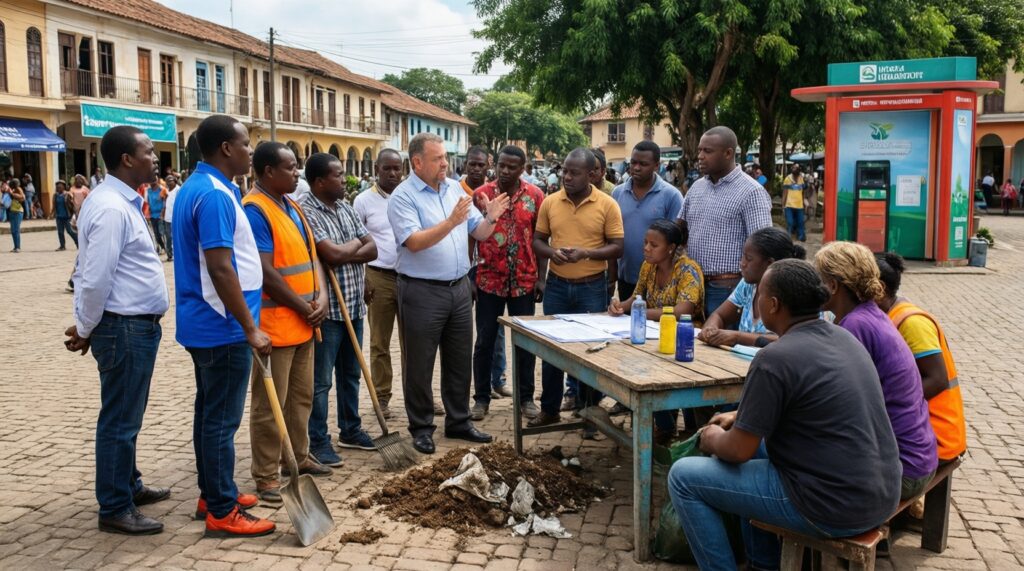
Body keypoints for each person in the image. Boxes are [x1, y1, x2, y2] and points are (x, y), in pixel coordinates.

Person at [669, 259, 901, 571]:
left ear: (774, 305)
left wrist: (710, 438)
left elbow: (737, 450)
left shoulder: (773, 358)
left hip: (830, 507)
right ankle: (763, 563)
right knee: (754, 454)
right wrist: (740, 419)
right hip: (881, 494)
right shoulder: (843, 337)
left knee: (683, 477)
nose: (757, 300)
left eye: (760, 294)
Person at [63, 125, 171, 535]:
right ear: (127, 159)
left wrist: (88, 325)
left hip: (134, 326)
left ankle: (129, 485)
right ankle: (114, 505)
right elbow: (94, 278)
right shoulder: (111, 207)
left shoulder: (122, 201)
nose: (155, 158)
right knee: (120, 420)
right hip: (124, 327)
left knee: (129, 414)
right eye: (148, 151)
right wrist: (86, 327)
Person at [172, 115, 275, 538]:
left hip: (209, 323)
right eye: (246, 143)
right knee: (220, 421)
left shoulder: (203, 187)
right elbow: (220, 267)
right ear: (227, 149)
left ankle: (213, 492)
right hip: (222, 325)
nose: (251, 151)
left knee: (208, 413)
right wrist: (249, 327)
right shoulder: (213, 194)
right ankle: (221, 510)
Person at [387, 132, 509, 454]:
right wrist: (451, 221)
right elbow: (414, 242)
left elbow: (478, 231)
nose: (445, 163)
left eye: (445, 157)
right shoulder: (403, 197)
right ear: (417, 162)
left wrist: (491, 217)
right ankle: (421, 427)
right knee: (420, 363)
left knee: (459, 359)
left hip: (458, 288)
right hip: (421, 291)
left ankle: (458, 420)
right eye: (438, 158)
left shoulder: (454, 188)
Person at [814, 241, 938, 500]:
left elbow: (838, 403)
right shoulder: (870, 314)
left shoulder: (855, 326)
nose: (815, 287)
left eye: (819, 280)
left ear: (833, 286)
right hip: (920, 459)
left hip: (901, 470)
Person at [243, 143, 332, 503]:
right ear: (268, 171)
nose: (297, 173)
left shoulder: (291, 205)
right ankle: (266, 474)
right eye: (291, 167)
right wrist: (301, 305)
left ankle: (297, 455)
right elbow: (265, 272)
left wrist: (321, 297)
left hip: (305, 323)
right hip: (276, 325)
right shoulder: (255, 210)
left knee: (300, 398)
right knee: (270, 405)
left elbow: (312, 258)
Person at [529, 147, 624, 428]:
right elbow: (537, 241)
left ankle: (588, 413)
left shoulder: (607, 204)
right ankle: (550, 409)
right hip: (557, 287)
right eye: (564, 171)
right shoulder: (550, 202)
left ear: (591, 175)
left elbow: (618, 247)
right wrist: (551, 253)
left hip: (592, 287)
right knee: (552, 350)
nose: (567, 177)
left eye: (574, 173)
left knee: (590, 351)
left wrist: (586, 254)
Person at [299, 152, 379, 465]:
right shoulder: (307, 211)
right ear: (319, 181)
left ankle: (351, 429)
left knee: (351, 373)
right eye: (338, 175)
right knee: (321, 381)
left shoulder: (345, 207)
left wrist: (345, 251)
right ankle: (318, 440)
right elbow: (329, 255)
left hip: (354, 305)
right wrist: (350, 248)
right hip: (329, 309)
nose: (344, 180)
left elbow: (372, 249)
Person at [608, 219, 704, 438]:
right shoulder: (648, 266)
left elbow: (682, 311)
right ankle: (665, 427)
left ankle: (689, 431)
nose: (646, 248)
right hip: (653, 337)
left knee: (683, 386)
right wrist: (620, 306)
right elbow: (636, 297)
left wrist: (639, 312)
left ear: (670, 248)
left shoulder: (688, 270)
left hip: (685, 340)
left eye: (653, 245)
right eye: (645, 243)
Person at [469, 145, 545, 421]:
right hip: (488, 280)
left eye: (511, 167)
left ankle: (526, 398)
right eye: (501, 165)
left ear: (522, 169)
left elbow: (540, 238)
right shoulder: (481, 195)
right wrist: (470, 275)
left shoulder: (535, 196)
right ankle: (481, 399)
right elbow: (470, 236)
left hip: (524, 280)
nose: (504, 170)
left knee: (525, 343)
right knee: (484, 342)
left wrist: (542, 278)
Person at [877, 252, 967, 463]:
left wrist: (885, 408)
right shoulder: (887, 315)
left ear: (878, 288)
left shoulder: (912, 323)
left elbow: (938, 379)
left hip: (935, 437)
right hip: (918, 431)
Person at [677, 126, 772, 318]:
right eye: (699, 150)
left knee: (720, 336)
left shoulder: (751, 192)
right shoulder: (697, 187)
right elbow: (680, 228)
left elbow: (764, 245)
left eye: (707, 151)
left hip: (729, 289)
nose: (700, 156)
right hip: (693, 285)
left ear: (728, 153)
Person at [353, 149, 404, 420]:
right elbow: (355, 242)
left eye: (397, 168)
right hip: (378, 276)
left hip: (410, 278)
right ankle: (381, 398)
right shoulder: (363, 201)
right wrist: (363, 278)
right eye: (387, 168)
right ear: (377, 169)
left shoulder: (409, 197)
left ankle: (419, 398)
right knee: (379, 342)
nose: (393, 173)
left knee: (415, 343)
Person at [699, 227, 804, 348]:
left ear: (770, 263)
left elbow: (792, 340)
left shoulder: (791, 293)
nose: (742, 263)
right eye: (743, 256)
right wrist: (710, 329)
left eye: (749, 259)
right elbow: (719, 316)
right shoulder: (748, 286)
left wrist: (737, 337)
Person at [462, 145, 511, 402]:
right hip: (474, 271)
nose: (476, 168)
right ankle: (477, 389)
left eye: (481, 165)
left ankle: (498, 379)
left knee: (497, 331)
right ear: (466, 164)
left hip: (501, 275)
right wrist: (468, 273)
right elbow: (470, 237)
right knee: (477, 332)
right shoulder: (461, 193)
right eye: (472, 164)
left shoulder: (495, 193)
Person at [612, 141, 684, 300]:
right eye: (633, 163)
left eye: (643, 164)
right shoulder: (617, 193)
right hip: (626, 278)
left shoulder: (671, 195)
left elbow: (677, 241)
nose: (636, 168)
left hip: (658, 282)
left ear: (656, 165)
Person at [782, 164, 807, 241]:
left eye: (796, 168)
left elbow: (803, 192)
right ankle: (788, 237)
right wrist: (783, 205)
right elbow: (785, 193)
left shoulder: (801, 179)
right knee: (790, 222)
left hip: (799, 205)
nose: (795, 169)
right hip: (789, 205)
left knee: (800, 222)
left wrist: (804, 201)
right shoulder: (787, 179)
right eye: (794, 167)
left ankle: (801, 236)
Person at [53, 181, 78, 250]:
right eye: (57, 187)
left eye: (60, 186)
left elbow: (73, 204)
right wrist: (52, 214)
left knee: (70, 231)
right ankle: (62, 246)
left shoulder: (68, 194)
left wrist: (75, 213)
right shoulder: (55, 195)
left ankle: (78, 242)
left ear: (64, 187)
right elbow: (54, 205)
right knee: (60, 232)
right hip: (59, 216)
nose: (58, 188)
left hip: (67, 216)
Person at [145, 179, 166, 253]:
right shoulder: (148, 191)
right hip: (152, 215)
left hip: (160, 214)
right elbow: (147, 202)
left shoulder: (161, 189)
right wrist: (147, 213)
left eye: (154, 180)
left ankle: (164, 247)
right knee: (156, 233)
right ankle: (161, 247)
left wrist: (162, 212)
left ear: (157, 181)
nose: (152, 182)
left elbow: (164, 202)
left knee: (161, 232)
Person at [161, 175, 178, 261]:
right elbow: (164, 203)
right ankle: (169, 255)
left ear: (175, 181)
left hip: (175, 218)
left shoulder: (178, 190)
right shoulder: (166, 191)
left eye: (171, 180)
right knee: (168, 237)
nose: (169, 182)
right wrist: (162, 214)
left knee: (175, 237)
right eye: (167, 181)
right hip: (167, 218)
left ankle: (176, 254)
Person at [6, 179, 24, 252]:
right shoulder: (13, 190)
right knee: (13, 231)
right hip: (12, 211)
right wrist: (10, 193)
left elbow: (22, 197)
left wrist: (12, 193)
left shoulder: (19, 189)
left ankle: (18, 247)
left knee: (16, 230)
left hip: (18, 212)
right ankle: (15, 246)